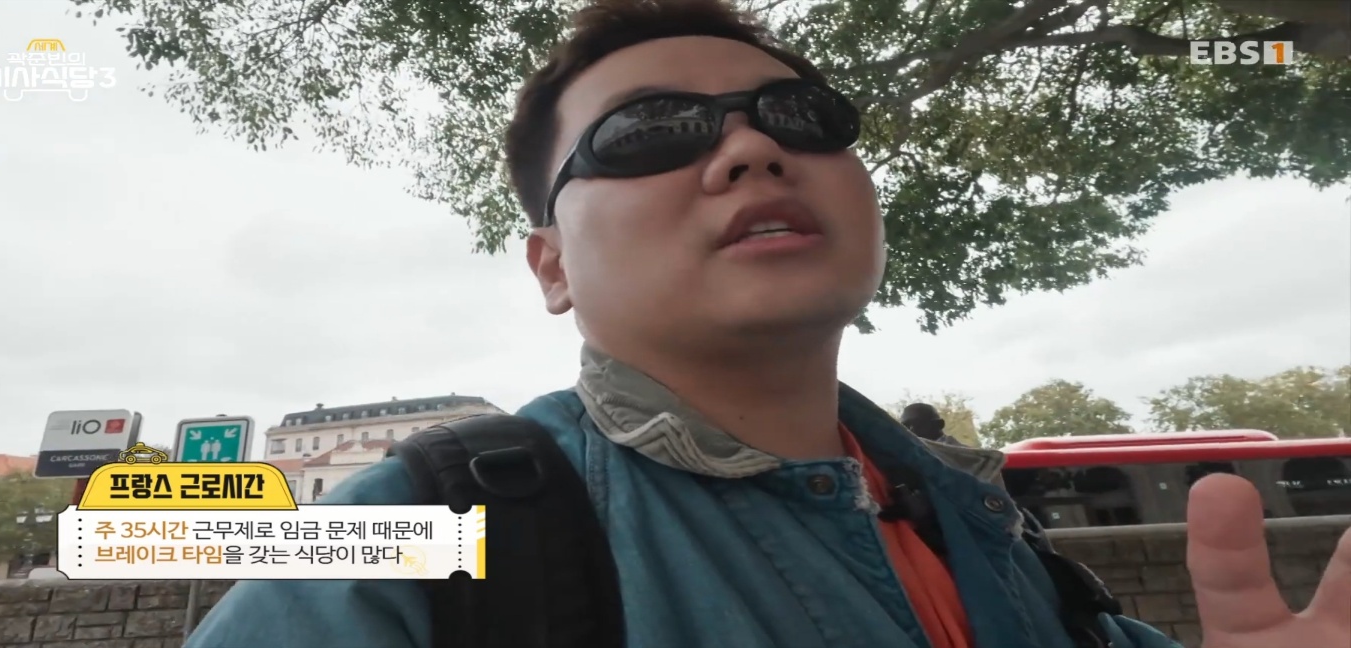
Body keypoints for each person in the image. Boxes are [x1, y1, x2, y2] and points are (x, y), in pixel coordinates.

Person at [187, 1, 1351, 647]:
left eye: (799, 116)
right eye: (650, 132)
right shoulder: (412, 530)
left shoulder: (1024, 566)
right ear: (552, 266)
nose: (752, 147)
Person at [900, 403, 965, 446]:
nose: (911, 430)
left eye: (918, 424)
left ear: (939, 424)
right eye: (906, 426)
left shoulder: (960, 454)